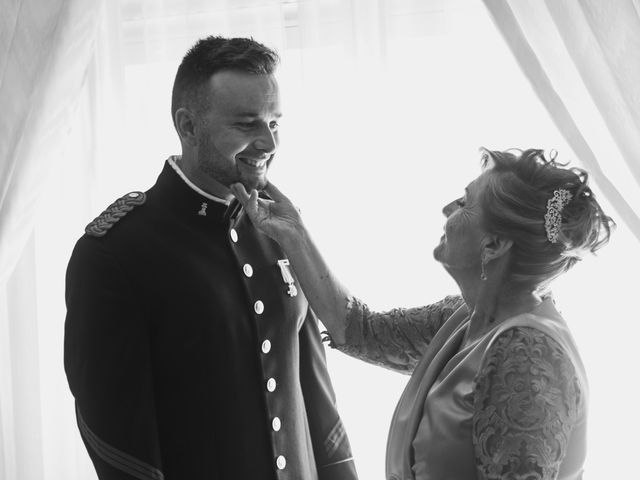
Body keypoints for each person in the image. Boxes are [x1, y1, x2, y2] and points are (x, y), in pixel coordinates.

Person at [64, 36, 358, 480]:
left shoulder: (280, 233)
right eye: (246, 124)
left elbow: (319, 403)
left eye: (275, 123)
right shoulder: (114, 254)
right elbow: (117, 442)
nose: (267, 142)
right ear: (188, 126)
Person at [231, 147, 614, 480]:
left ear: (494, 244)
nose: (447, 209)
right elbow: (360, 330)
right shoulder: (464, 317)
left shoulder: (527, 354)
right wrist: (292, 232)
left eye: (464, 204)